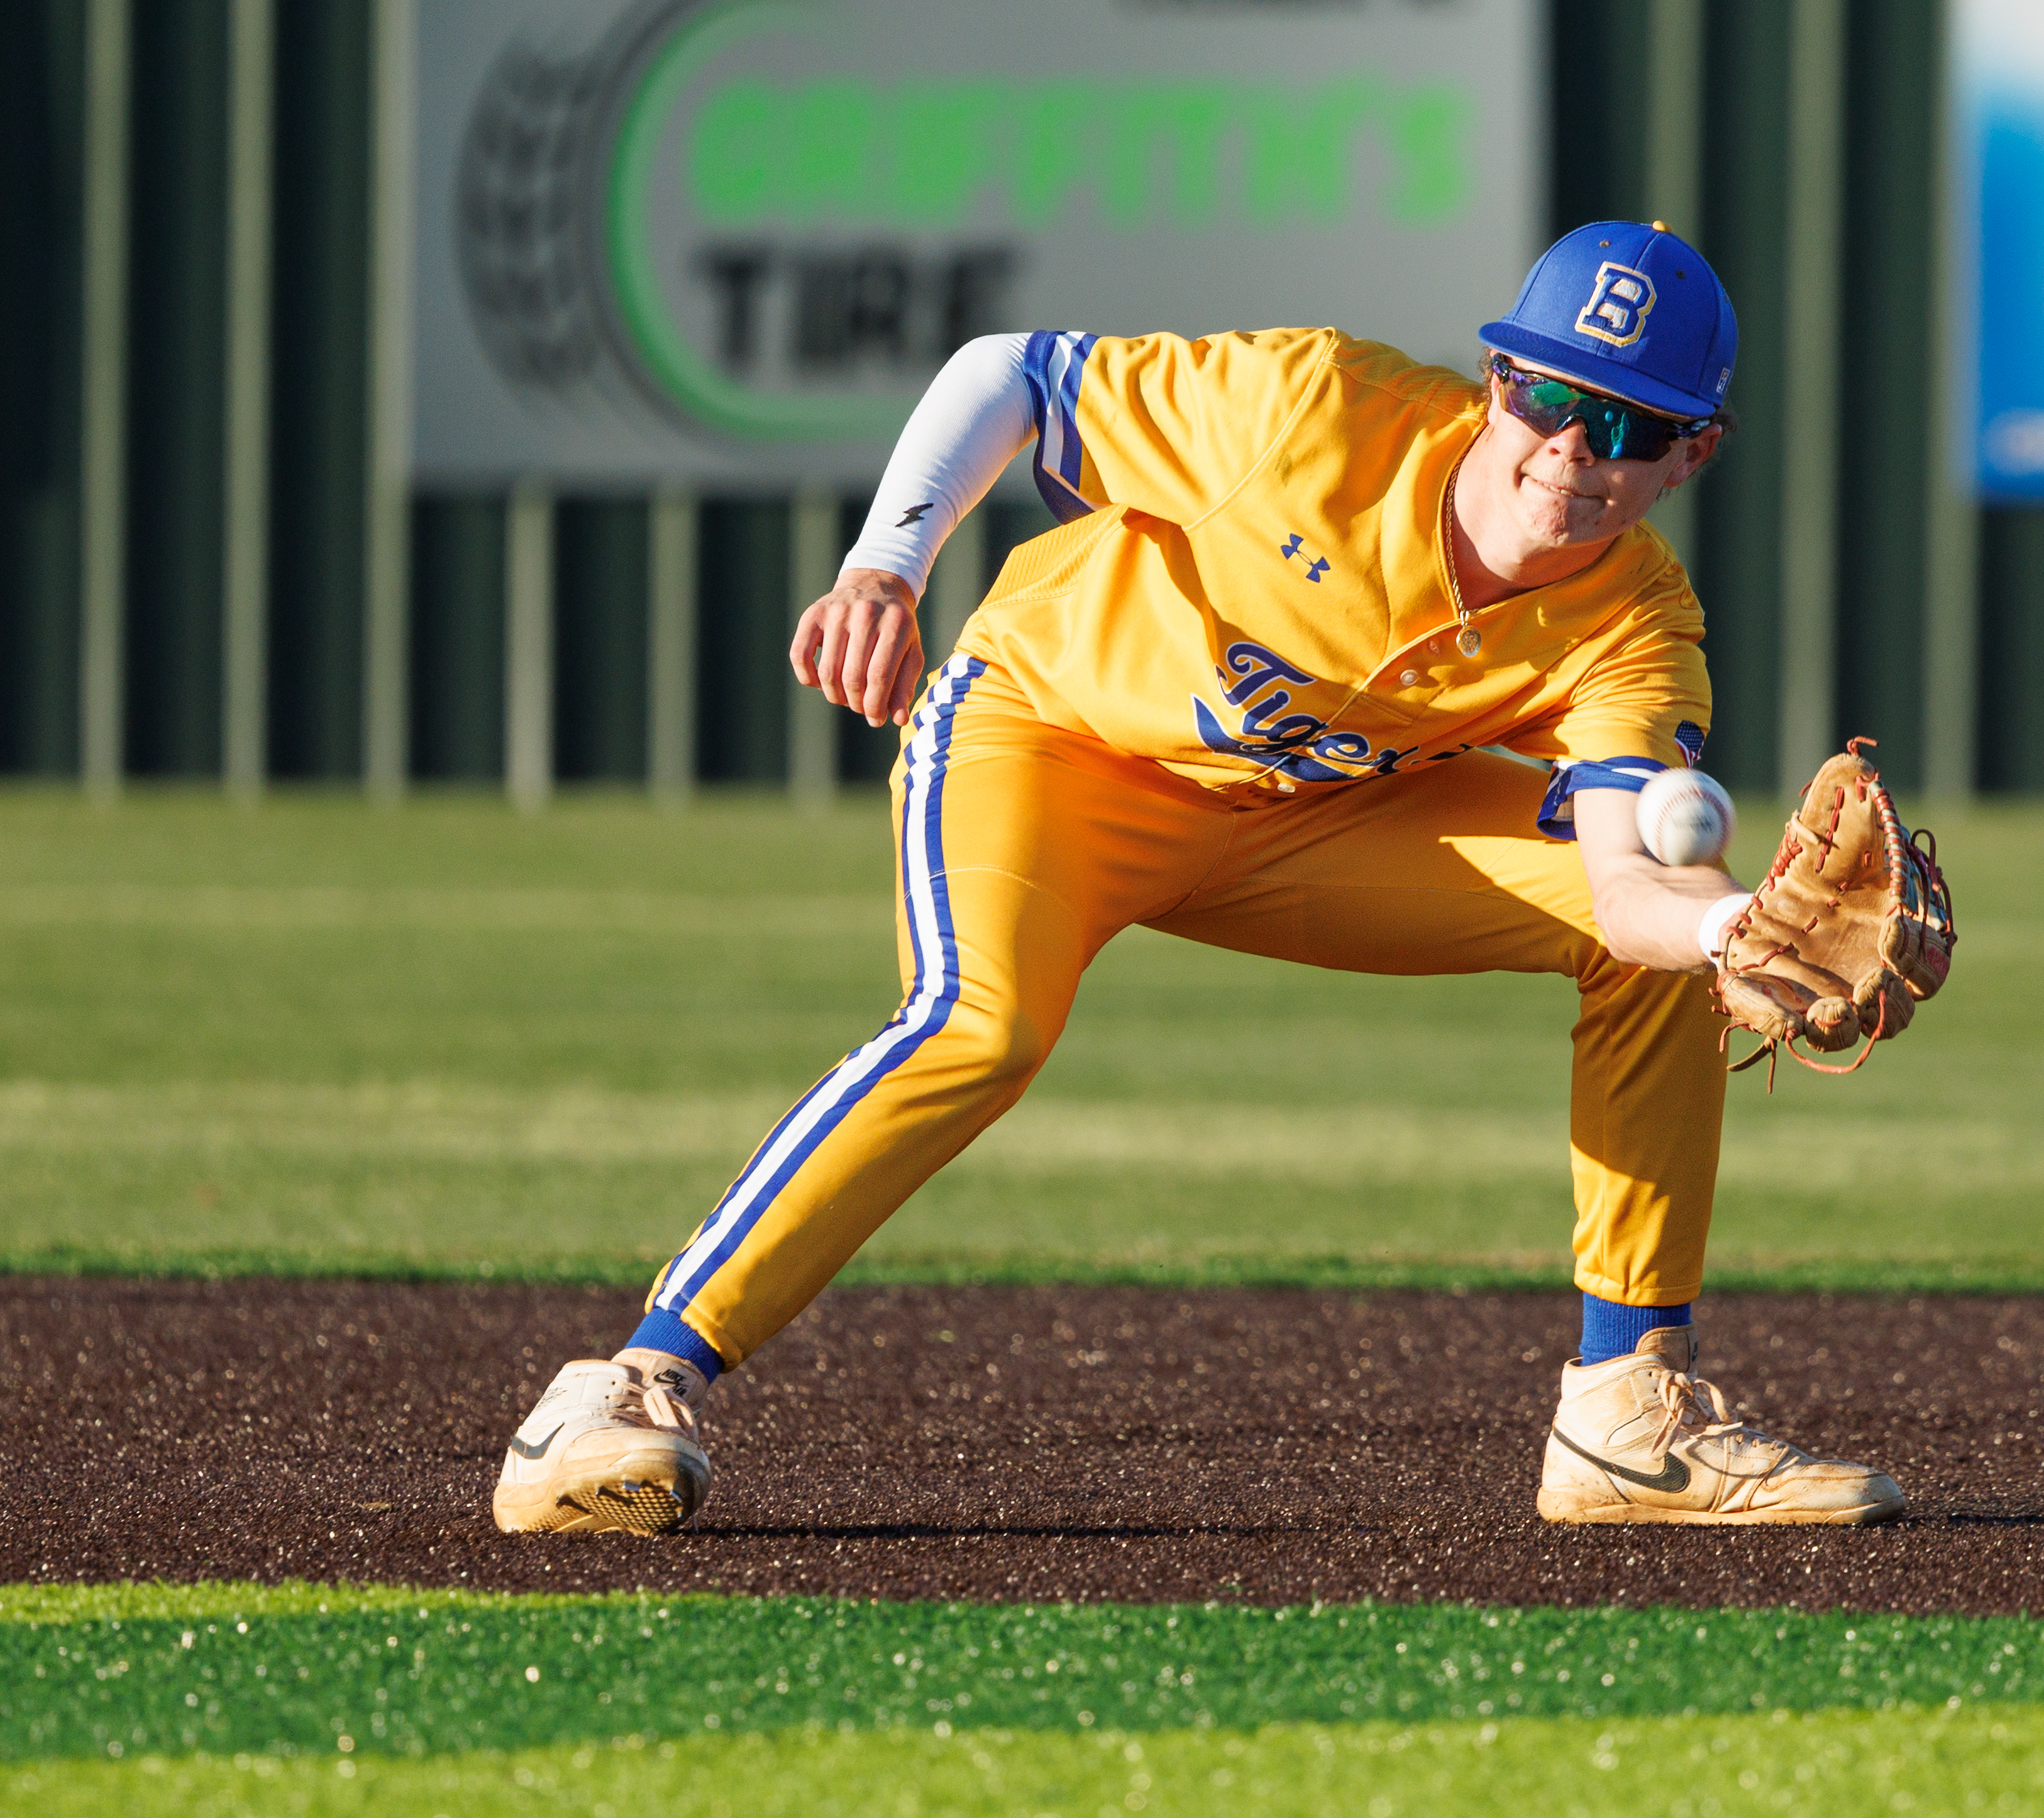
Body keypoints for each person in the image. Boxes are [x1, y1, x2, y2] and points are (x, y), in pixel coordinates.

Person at [494, 221, 1906, 1536]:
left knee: (1656, 960)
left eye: (1629, 426)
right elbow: (1011, 378)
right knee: (979, 1027)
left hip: (1309, 814)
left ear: (1691, 456)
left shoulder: (1637, 627)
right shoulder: (1309, 408)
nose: (1571, 450)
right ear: (1493, 383)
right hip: (1051, 738)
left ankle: (1624, 1413)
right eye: (1548, 397)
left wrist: (1733, 927)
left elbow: (1622, 888)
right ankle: (622, 1385)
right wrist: (885, 565)